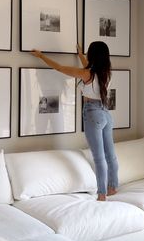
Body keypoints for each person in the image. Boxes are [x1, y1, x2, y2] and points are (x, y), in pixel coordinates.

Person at [31, 41, 119, 201]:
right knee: (110, 155)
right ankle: (113, 187)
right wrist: (80, 54)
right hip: (106, 114)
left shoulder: (87, 74)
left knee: (99, 157)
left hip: (93, 113)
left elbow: (59, 68)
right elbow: (88, 66)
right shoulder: (106, 72)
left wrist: (41, 55)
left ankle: (101, 194)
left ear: (93, 55)